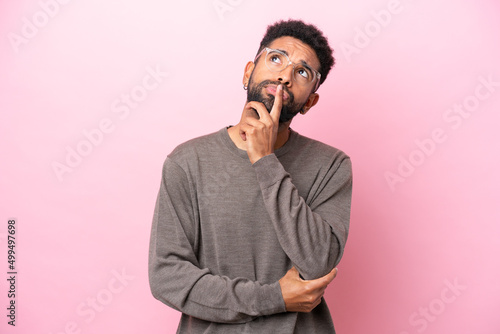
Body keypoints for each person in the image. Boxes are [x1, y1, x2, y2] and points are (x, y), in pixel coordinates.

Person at [148, 19, 353, 333]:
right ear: (248, 73)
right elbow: (167, 277)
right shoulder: (187, 162)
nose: (284, 75)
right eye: (275, 58)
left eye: (302, 72)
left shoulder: (331, 165)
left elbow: (318, 262)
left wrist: (265, 159)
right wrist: (273, 298)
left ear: (310, 101)